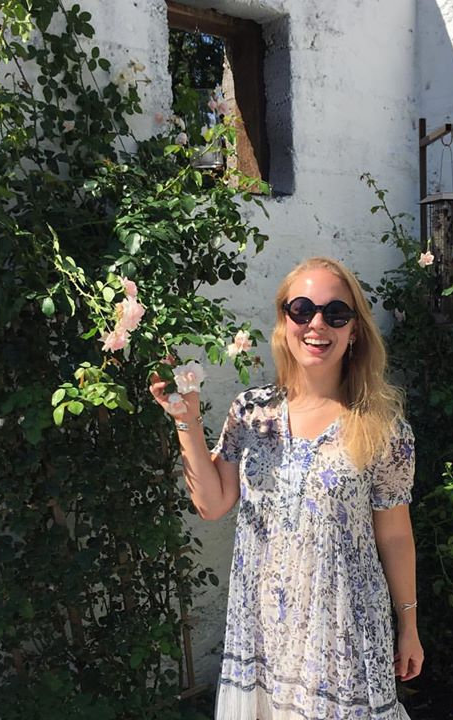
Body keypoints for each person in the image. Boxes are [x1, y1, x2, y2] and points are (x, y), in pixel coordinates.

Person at [149, 256, 424, 719]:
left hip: (344, 631)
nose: (317, 324)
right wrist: (186, 420)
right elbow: (212, 504)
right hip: (266, 627)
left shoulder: (381, 427)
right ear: (284, 321)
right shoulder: (252, 413)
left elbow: (395, 534)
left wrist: (409, 624)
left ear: (355, 330)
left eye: (336, 313)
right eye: (302, 309)